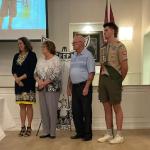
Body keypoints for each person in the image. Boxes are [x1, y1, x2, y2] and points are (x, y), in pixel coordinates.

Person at [97, 22, 128, 144]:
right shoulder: (103, 48)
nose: (104, 32)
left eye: (106, 30)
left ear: (113, 31)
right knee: (106, 108)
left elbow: (125, 67)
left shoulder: (120, 47)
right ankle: (109, 133)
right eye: (104, 30)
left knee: (117, 107)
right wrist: (100, 81)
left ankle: (119, 135)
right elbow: (102, 66)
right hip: (103, 79)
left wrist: (119, 81)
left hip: (114, 79)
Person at [67, 35, 95, 141]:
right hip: (74, 86)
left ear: (81, 43)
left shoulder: (88, 55)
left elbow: (91, 73)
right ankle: (80, 132)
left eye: (74, 43)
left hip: (84, 86)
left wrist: (87, 87)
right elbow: (71, 72)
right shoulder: (74, 55)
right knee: (76, 111)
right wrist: (68, 86)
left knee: (86, 111)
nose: (73, 44)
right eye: (73, 43)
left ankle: (87, 135)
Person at [35, 40, 61, 139]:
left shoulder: (56, 59)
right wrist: (40, 82)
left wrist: (44, 83)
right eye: (42, 47)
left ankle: (52, 132)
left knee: (52, 110)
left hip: (52, 88)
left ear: (49, 48)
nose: (42, 49)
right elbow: (35, 73)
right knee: (43, 110)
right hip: (41, 88)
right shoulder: (40, 60)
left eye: (44, 47)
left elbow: (56, 74)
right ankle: (45, 131)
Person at [12, 37, 37, 137]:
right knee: (21, 106)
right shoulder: (16, 56)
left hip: (28, 84)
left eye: (21, 43)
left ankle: (29, 127)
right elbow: (13, 70)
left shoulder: (32, 55)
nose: (19, 45)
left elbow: (32, 70)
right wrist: (17, 80)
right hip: (18, 85)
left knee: (29, 106)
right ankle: (22, 127)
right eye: (18, 44)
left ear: (26, 44)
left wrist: (20, 78)